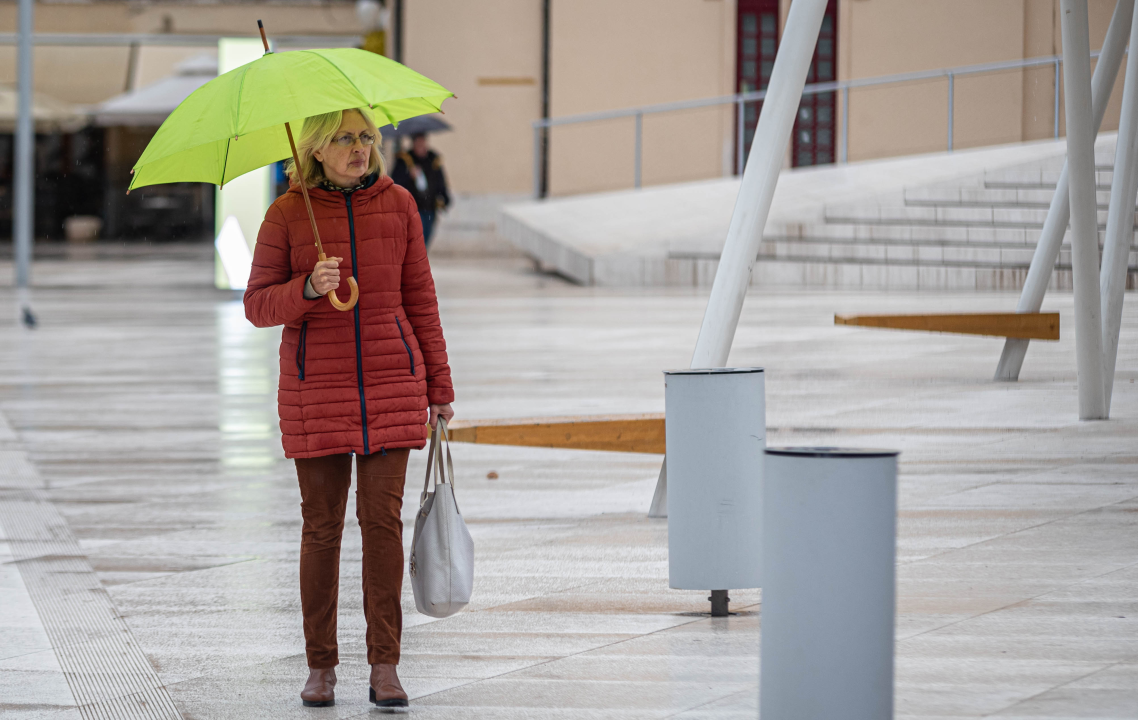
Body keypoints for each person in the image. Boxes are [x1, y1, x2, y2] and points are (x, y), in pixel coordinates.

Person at [244, 107, 455, 710]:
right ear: (315, 148)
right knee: (322, 530)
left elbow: (421, 298)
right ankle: (320, 666)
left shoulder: (400, 206)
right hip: (317, 392)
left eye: (367, 137)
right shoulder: (286, 214)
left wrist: (439, 385)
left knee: (383, 528)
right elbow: (258, 306)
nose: (359, 148)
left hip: (393, 384)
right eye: (344, 138)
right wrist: (307, 289)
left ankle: (384, 664)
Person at [390, 132, 450, 248]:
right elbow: (395, 182)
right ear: (413, 143)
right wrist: (409, 174)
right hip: (412, 208)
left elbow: (440, 181)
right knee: (416, 240)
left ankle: (419, 262)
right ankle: (416, 263)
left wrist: (444, 197)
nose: (421, 145)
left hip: (430, 207)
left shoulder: (433, 159)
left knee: (425, 239)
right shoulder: (405, 160)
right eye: (418, 142)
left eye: (423, 142)